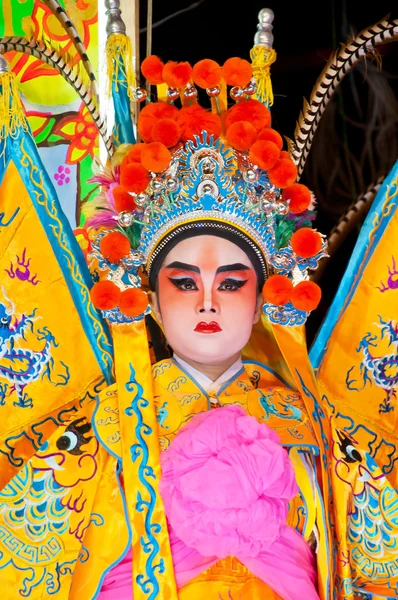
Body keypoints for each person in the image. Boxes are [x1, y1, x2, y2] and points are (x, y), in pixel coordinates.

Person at [1, 16, 398, 600]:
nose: (208, 301)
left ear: (265, 296)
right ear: (150, 300)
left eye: (232, 283)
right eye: (185, 284)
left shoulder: (321, 428)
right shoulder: (91, 432)